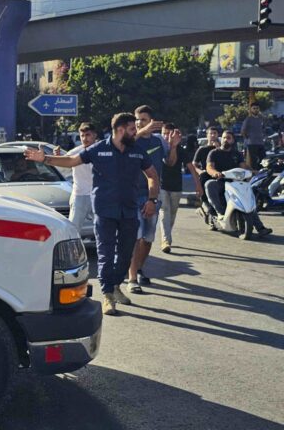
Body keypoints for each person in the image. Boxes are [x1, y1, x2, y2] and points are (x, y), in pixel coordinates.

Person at [25, 112, 160, 316]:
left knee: (125, 254)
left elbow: (152, 175)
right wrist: (45, 158)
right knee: (105, 253)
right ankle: (107, 295)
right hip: (105, 211)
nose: (136, 133)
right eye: (132, 129)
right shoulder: (99, 149)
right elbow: (71, 161)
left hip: (130, 210)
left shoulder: (137, 151)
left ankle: (115, 286)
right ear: (121, 130)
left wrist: (152, 199)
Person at [127, 105, 179, 293]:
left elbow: (170, 162)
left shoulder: (159, 141)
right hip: (133, 195)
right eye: (137, 120)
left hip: (152, 195)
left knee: (147, 238)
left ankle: (139, 268)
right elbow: (124, 143)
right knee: (136, 236)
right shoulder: (132, 140)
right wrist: (141, 132)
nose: (140, 123)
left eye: (144, 119)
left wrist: (173, 146)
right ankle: (132, 278)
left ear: (152, 121)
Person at [205, 130, 272, 237]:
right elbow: (209, 167)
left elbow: (243, 166)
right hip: (221, 181)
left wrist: (254, 171)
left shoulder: (237, 154)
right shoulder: (214, 153)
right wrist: (215, 173)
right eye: (224, 138)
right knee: (209, 184)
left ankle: (260, 227)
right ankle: (220, 213)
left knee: (248, 200)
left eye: (228, 138)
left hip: (236, 183)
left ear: (233, 140)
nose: (225, 140)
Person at [158, 123, 203, 253]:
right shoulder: (160, 148)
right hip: (162, 186)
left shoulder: (181, 150)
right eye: (164, 133)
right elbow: (167, 162)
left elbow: (191, 168)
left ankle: (167, 236)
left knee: (172, 214)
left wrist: (198, 185)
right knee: (164, 212)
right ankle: (165, 240)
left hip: (176, 187)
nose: (166, 136)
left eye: (169, 133)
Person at [54, 122, 98, 231]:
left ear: (95, 135)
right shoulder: (75, 152)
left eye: (88, 135)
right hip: (79, 195)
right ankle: (72, 248)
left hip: (98, 195)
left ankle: (102, 248)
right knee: (72, 229)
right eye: (82, 136)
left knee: (102, 228)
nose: (84, 138)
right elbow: (62, 166)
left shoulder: (102, 150)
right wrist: (57, 157)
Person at [241, 103, 265, 170]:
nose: (255, 110)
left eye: (257, 108)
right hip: (252, 144)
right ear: (251, 109)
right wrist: (248, 138)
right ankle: (254, 175)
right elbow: (243, 131)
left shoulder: (261, 119)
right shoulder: (248, 119)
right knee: (253, 162)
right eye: (254, 108)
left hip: (261, 143)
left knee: (264, 160)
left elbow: (263, 129)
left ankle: (262, 173)